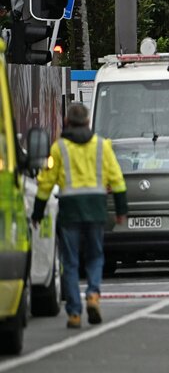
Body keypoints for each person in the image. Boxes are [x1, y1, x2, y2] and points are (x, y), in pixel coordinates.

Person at [32, 103, 128, 328]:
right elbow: (117, 178)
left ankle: (74, 313)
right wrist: (121, 209)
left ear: (67, 123)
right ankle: (93, 295)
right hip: (95, 208)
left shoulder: (59, 148)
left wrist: (37, 211)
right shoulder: (102, 146)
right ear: (87, 122)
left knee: (70, 261)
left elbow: (46, 182)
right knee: (95, 256)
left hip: (70, 210)